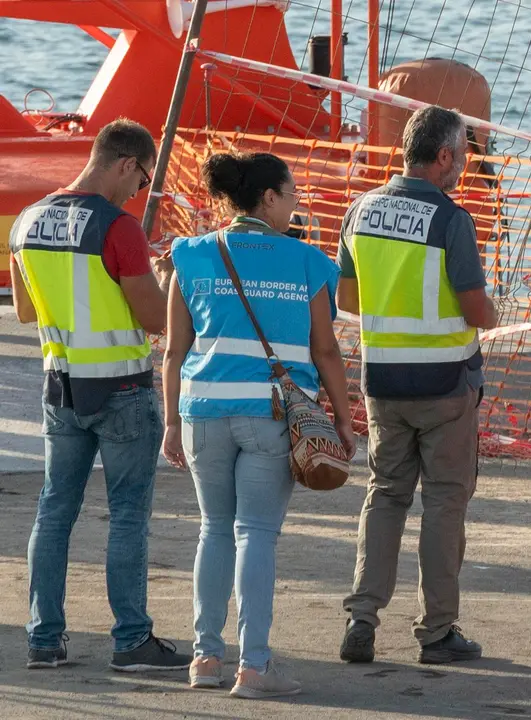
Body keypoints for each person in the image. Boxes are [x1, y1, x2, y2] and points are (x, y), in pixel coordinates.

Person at [161, 151, 357, 698]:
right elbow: (326, 352)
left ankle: (204, 658)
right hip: (272, 415)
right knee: (256, 535)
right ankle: (254, 666)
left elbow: (175, 352)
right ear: (268, 197)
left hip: (203, 410)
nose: (297, 202)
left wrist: (171, 424)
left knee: (213, 529)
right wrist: (342, 421)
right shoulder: (307, 261)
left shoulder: (191, 254)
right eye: (291, 192)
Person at [8, 118, 189, 672]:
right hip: (122, 391)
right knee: (128, 515)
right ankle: (131, 639)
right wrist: (165, 274)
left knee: (54, 510)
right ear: (126, 164)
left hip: (60, 388)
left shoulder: (26, 221)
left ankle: (44, 638)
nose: (140, 192)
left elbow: (25, 312)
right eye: (142, 180)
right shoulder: (118, 228)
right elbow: (155, 319)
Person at [336, 106, 498, 665]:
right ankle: (436, 630)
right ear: (445, 155)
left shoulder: (361, 209)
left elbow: (348, 300)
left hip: (382, 383)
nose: (465, 168)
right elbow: (476, 308)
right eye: (464, 156)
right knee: (445, 504)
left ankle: (362, 616)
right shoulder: (450, 218)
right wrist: (493, 314)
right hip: (446, 384)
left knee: (384, 495)